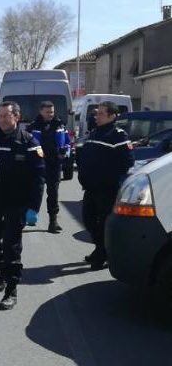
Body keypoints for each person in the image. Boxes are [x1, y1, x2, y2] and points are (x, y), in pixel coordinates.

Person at [0, 101, 45, 310]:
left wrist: (34, 207)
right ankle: (1, 270)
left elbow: (38, 176)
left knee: (11, 246)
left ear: (17, 117)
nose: (2, 120)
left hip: (17, 202)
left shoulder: (28, 141)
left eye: (6, 116)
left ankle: (11, 289)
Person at [76, 101, 134, 270]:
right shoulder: (95, 132)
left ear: (112, 116)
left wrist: (107, 174)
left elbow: (128, 162)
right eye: (97, 113)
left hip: (106, 188)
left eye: (101, 113)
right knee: (88, 219)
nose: (97, 117)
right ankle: (100, 248)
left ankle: (101, 255)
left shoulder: (118, 135)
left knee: (102, 223)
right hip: (90, 187)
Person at [27, 101, 70, 233]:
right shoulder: (33, 126)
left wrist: (64, 152)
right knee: (36, 191)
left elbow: (67, 142)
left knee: (53, 193)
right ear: (41, 111)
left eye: (52, 112)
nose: (50, 114)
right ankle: (30, 215)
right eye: (47, 112)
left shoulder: (60, 125)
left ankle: (53, 221)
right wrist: (37, 156)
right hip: (38, 164)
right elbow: (28, 144)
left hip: (54, 164)